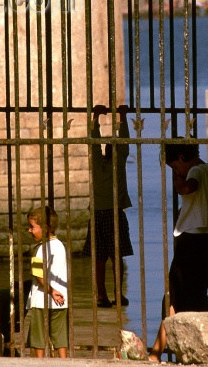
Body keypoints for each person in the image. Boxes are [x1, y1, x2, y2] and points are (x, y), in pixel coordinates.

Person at [148, 140, 208, 362]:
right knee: (180, 298)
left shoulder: (194, 170)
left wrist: (179, 182)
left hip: (194, 244)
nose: (176, 173)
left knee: (183, 299)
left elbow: (189, 187)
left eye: (175, 167)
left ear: (182, 159)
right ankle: (156, 353)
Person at [82, 104, 133, 308]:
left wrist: (95, 118)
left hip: (97, 214)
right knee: (116, 256)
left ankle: (101, 296)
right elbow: (124, 142)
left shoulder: (96, 162)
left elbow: (93, 143)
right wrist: (122, 118)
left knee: (100, 258)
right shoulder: (118, 163)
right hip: (114, 213)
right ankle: (118, 294)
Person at [26, 206, 68, 358]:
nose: (29, 230)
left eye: (32, 227)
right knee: (60, 336)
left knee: (39, 338)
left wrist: (50, 291)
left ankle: (40, 362)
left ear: (45, 228)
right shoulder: (60, 246)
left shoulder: (40, 249)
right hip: (62, 299)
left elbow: (38, 274)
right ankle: (64, 361)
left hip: (41, 299)